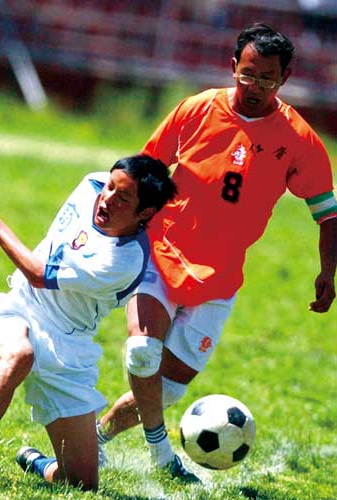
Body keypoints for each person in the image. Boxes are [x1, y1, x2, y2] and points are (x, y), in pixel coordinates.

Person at [95, 23, 337, 482]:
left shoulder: (299, 140)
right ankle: (162, 454)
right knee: (142, 353)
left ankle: (96, 436)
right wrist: (119, 222)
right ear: (233, 67)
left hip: (221, 279)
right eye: (248, 75)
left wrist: (328, 271)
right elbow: (144, 168)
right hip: (163, 254)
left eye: (267, 78)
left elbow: (328, 213)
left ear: (285, 78)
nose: (255, 87)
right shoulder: (196, 108)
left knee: (165, 390)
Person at [0, 154, 177, 490]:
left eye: (123, 198)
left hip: (70, 345)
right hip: (22, 306)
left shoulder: (123, 260)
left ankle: (36, 461)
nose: (107, 198)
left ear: (145, 213)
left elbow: (38, 273)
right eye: (111, 186)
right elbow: (32, 284)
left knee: (82, 483)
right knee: (18, 355)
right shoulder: (92, 184)